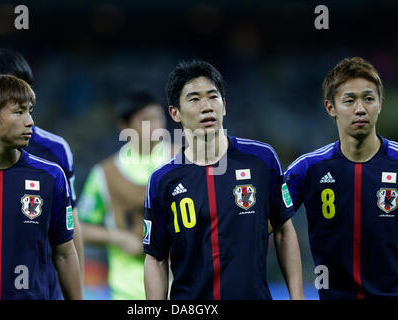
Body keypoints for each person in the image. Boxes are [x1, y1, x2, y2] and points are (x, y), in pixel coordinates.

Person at [143, 60, 304, 300]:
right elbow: (155, 258)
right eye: (194, 99)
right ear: (174, 113)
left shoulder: (261, 160)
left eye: (213, 97)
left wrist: (297, 297)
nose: (206, 106)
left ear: (225, 106)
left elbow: (283, 230)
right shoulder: (162, 180)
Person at [0, 48, 84, 289]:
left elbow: (68, 234)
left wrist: (75, 290)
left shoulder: (54, 155)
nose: (29, 119)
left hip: (38, 289)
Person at [285, 57, 398, 299]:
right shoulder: (306, 169)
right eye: (349, 100)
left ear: (380, 104)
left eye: (369, 99)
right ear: (330, 108)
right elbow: (262, 223)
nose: (360, 109)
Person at [78, 89, 175, 299]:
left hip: (183, 288)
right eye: (146, 120)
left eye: (158, 117)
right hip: (128, 291)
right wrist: (117, 237)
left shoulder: (184, 161)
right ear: (125, 127)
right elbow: (80, 226)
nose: (156, 126)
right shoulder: (104, 174)